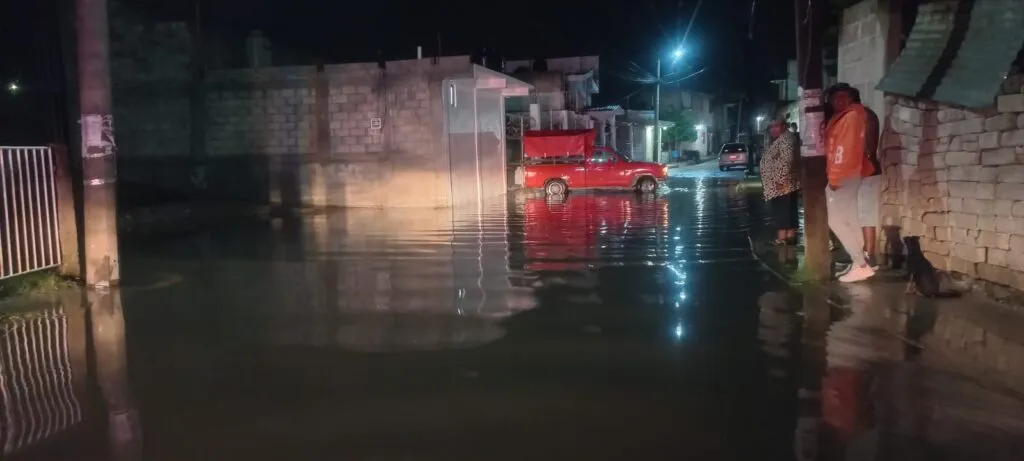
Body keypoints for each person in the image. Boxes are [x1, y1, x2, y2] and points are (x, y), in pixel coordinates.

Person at [824, 83, 877, 283]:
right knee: (850, 218)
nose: (838, 100)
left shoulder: (850, 118)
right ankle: (860, 261)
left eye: (843, 97)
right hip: (850, 173)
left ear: (850, 98)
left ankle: (861, 264)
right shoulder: (850, 116)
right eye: (835, 97)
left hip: (843, 175)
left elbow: (843, 150)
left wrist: (835, 177)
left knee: (835, 220)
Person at [760, 119, 801, 245]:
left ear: (783, 126)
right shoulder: (780, 140)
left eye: (776, 126)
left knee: (782, 212)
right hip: (784, 184)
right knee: (787, 211)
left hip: (782, 185)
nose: (773, 129)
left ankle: (783, 238)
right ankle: (789, 237)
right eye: (771, 127)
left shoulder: (786, 141)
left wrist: (780, 180)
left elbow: (786, 162)